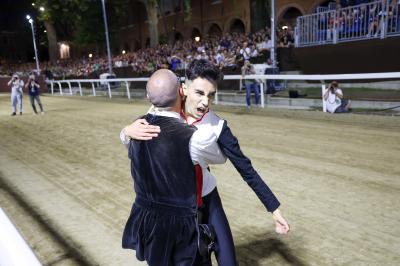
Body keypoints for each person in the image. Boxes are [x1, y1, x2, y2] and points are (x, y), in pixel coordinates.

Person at [122, 60, 290, 265]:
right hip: (177, 208)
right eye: (199, 93)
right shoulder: (162, 110)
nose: (205, 102)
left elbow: (246, 169)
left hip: (208, 199)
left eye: (211, 95)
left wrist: (274, 209)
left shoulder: (217, 127)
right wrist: (126, 131)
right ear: (183, 89)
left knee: (228, 260)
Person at [121, 69, 227, 266]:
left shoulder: (135, 128)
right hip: (181, 230)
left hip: (146, 222)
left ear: (148, 97)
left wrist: (126, 130)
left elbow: (124, 138)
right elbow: (220, 158)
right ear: (181, 92)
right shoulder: (194, 138)